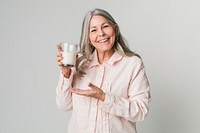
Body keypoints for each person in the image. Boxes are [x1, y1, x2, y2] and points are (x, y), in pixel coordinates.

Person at [56, 8, 151, 133]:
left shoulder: (132, 64)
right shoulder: (78, 62)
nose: (101, 33)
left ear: (115, 30)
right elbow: (64, 105)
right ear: (88, 37)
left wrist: (104, 97)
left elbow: (140, 111)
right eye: (93, 30)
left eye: (105, 26)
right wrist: (66, 74)